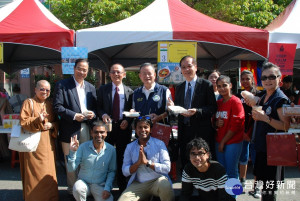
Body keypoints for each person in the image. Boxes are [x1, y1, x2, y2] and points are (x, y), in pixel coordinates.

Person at [53, 58, 97, 197]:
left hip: (86, 128)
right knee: (70, 161)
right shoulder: (62, 85)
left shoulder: (90, 87)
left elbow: (95, 107)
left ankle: (83, 189)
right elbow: (57, 106)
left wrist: (93, 113)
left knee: (85, 160)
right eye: (79, 68)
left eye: (84, 70)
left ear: (88, 72)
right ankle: (72, 191)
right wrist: (74, 115)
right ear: (73, 68)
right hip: (70, 128)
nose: (81, 72)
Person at [169, 55, 217, 169]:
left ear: (195, 67)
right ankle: (188, 185)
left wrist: (197, 111)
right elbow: (179, 108)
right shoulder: (179, 87)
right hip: (184, 130)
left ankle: (203, 185)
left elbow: (212, 107)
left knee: (202, 161)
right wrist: (172, 107)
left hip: (201, 131)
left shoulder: (206, 85)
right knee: (186, 160)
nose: (186, 70)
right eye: (183, 67)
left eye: (189, 66)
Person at [251, 62, 290, 201]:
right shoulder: (264, 96)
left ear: (279, 78)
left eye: (272, 77)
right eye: (265, 77)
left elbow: (285, 126)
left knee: (269, 191)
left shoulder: (280, 99)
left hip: (274, 151)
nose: (268, 80)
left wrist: (265, 118)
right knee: (264, 189)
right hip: (262, 148)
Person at [19, 80, 59, 201]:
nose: (45, 92)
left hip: (48, 143)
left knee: (49, 171)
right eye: (42, 89)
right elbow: (23, 122)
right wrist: (38, 120)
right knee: (34, 173)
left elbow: (57, 122)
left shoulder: (50, 104)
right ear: (35, 90)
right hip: (33, 145)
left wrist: (52, 126)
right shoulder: (29, 103)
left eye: (47, 90)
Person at [118, 116, 174, 201]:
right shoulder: (130, 147)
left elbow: (167, 168)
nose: (143, 130)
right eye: (139, 127)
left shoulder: (159, 144)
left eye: (145, 127)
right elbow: (125, 171)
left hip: (157, 181)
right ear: (135, 130)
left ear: (151, 130)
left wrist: (148, 163)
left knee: (165, 186)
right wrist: (138, 163)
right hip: (139, 183)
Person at [96, 63, 133, 192]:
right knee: (106, 156)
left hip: (123, 128)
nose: (116, 74)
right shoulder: (103, 89)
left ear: (124, 74)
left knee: (123, 156)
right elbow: (98, 107)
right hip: (107, 127)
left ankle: (123, 186)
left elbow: (132, 111)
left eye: (119, 72)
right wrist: (103, 114)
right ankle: (106, 186)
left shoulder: (130, 91)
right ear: (109, 74)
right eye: (113, 72)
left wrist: (128, 120)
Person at [67, 120, 116, 201]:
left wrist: (107, 188)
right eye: (96, 132)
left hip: (99, 185)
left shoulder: (111, 150)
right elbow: (71, 168)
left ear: (106, 133)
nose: (99, 135)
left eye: (102, 132)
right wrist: (72, 152)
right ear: (91, 133)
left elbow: (112, 171)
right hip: (83, 182)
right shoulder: (83, 147)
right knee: (77, 189)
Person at [214, 75, 244, 183]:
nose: (222, 88)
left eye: (224, 85)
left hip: (232, 142)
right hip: (219, 141)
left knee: (231, 172)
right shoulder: (218, 103)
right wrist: (216, 123)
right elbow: (213, 122)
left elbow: (236, 125)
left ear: (230, 85)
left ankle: (232, 197)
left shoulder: (236, 102)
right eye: (219, 86)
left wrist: (223, 142)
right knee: (222, 172)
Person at [237, 70, 261, 198]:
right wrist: (244, 132)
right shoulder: (237, 95)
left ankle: (256, 188)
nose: (245, 81)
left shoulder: (259, 94)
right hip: (242, 132)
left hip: (256, 132)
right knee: (243, 157)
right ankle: (242, 181)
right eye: (243, 79)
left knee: (257, 159)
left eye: (248, 78)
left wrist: (250, 132)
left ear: (252, 80)